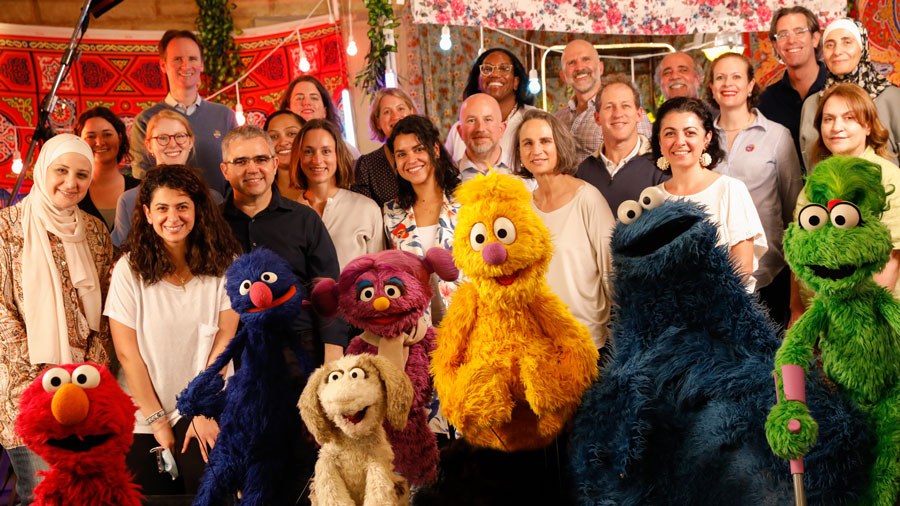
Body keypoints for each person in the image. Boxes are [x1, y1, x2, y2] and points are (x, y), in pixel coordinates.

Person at [105, 165, 240, 499]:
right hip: (143, 410)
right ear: (148, 214)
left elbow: (225, 340)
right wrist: (157, 421)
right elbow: (127, 353)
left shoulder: (227, 264)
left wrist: (201, 409)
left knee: (212, 491)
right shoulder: (129, 269)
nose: (173, 217)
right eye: (162, 208)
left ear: (198, 210)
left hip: (205, 406)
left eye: (182, 206)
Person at [0, 134, 114, 505]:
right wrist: (42, 383)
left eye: (82, 174)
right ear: (42, 169)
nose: (71, 182)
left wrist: (87, 374)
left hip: (83, 385)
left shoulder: (95, 231)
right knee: (40, 490)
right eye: (61, 171)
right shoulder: (7, 226)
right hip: (25, 387)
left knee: (81, 491)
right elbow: (3, 313)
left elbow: (105, 310)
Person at [219, 125, 346, 365]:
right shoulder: (211, 225)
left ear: (275, 164)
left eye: (260, 159)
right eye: (241, 162)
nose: (252, 169)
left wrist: (333, 360)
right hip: (237, 350)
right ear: (225, 170)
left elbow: (329, 291)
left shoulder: (304, 219)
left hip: (301, 347)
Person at [705, 53, 803, 327]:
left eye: (737, 76)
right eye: (720, 77)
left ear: (750, 85)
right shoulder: (701, 138)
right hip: (713, 276)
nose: (728, 83)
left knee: (771, 362)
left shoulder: (777, 136)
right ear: (711, 87)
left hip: (769, 274)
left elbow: (793, 209)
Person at [513, 109, 614, 350]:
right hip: (538, 342)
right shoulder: (521, 208)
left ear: (559, 145)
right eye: (527, 143)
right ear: (519, 153)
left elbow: (613, 273)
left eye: (545, 141)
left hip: (586, 343)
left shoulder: (588, 199)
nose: (536, 150)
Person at [795, 82, 900, 305]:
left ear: (868, 126)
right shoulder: (814, 183)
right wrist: (795, 308)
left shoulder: (889, 179)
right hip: (819, 318)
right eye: (828, 119)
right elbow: (796, 249)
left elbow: (890, 259)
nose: (836, 127)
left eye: (849, 118)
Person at [652, 97, 767, 291]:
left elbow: (741, 270)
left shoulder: (730, 190)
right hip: (667, 316)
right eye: (670, 133)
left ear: (706, 139)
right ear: (660, 142)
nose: (680, 141)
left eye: (690, 133)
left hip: (721, 312)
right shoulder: (652, 198)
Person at [130, 30, 237, 195]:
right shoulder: (145, 120)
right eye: (177, 59)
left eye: (192, 59)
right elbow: (142, 179)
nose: (186, 65)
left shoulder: (225, 116)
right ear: (163, 65)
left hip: (219, 214)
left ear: (202, 64)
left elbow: (237, 170)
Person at [385, 115, 462, 325]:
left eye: (419, 149)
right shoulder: (391, 213)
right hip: (417, 329)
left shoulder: (466, 201)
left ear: (435, 150)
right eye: (402, 154)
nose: (411, 160)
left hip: (469, 324)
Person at [112, 110, 223, 248]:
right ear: (149, 146)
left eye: (180, 136)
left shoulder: (214, 199)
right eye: (163, 138)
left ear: (190, 141)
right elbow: (123, 255)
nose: (172, 144)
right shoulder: (129, 201)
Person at [799, 18, 900, 168]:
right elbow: (809, 167)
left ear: (862, 47)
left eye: (847, 42)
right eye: (830, 45)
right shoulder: (812, 105)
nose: (837, 51)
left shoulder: (893, 98)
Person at [292, 118, 384, 269]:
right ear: (299, 157)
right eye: (308, 151)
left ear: (338, 155)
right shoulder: (289, 215)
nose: (317, 160)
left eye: (326, 151)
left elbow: (379, 272)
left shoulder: (366, 209)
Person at [576, 74, 669, 214]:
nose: (618, 114)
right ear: (597, 118)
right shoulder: (582, 172)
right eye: (609, 107)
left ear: (639, 115)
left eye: (625, 106)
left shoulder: (662, 167)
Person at [555, 39, 652, 163]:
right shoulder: (558, 119)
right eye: (571, 63)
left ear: (600, 68)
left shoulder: (626, 113)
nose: (579, 67)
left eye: (586, 59)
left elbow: (644, 164)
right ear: (563, 76)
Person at [758, 6, 827, 170]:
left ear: (815, 38)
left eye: (799, 31)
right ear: (775, 45)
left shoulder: (840, 89)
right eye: (783, 34)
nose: (791, 40)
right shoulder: (765, 101)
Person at [444, 48, 537, 164]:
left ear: (516, 82)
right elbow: (445, 174)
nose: (494, 74)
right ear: (478, 82)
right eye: (487, 69)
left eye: (504, 69)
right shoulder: (459, 129)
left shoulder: (535, 119)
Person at [75, 107, 140, 232]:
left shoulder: (140, 188)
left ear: (120, 138)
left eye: (107, 134)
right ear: (79, 142)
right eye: (91, 136)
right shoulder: (72, 191)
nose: (99, 142)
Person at [350, 87, 416, 208]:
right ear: (378, 122)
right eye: (387, 112)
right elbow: (363, 216)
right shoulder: (366, 166)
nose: (395, 116)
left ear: (412, 113)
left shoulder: (431, 153)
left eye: (401, 108)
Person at [456, 93, 535, 190]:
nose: (480, 128)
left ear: (501, 129)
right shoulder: (444, 180)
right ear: (460, 132)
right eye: (471, 120)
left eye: (488, 120)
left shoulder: (529, 178)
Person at [280, 75, 360, 159]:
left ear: (324, 111)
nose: (306, 102)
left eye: (314, 98)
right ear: (287, 110)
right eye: (299, 98)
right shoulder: (280, 151)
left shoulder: (347, 152)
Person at [263, 109, 305, 201]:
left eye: (291, 134)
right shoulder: (258, 191)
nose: (283, 142)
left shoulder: (323, 185)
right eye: (274, 136)